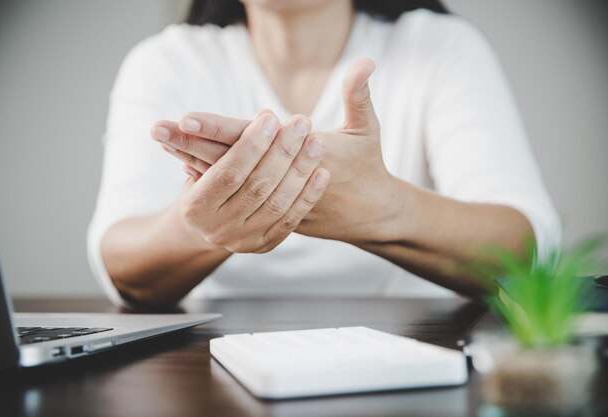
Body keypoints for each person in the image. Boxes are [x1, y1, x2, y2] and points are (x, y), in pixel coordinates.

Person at [88, 0, 560, 308]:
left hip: (414, 353)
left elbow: (528, 244)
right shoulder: (165, 62)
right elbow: (121, 262)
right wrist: (203, 225)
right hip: (209, 359)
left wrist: (387, 209)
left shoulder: (441, 47)